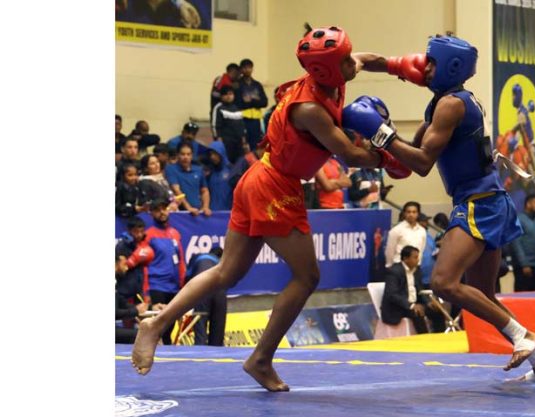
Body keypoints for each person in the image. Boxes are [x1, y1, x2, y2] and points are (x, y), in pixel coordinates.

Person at [131, 26, 411, 392]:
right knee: (307, 276)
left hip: (259, 177)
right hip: (275, 187)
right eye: (343, 60)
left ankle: (156, 323)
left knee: (227, 273)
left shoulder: (333, 71)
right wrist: (395, 150)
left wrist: (409, 69)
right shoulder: (310, 108)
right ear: (325, 70)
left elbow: (368, 59)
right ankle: (261, 358)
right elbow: (350, 154)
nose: (351, 62)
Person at [341, 34, 535, 380]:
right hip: (490, 200)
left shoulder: (451, 105)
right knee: (484, 295)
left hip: (477, 203)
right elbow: (407, 157)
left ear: (450, 67)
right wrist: (360, 62)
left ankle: (525, 337)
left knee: (444, 283)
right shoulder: (446, 101)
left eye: (431, 63)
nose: (423, 68)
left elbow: (424, 162)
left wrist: (380, 132)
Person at [141, 198, 186, 345]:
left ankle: (167, 353)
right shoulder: (148, 235)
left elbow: (180, 261)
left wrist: (181, 284)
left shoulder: (175, 233)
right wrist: (146, 291)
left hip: (173, 287)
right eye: (158, 210)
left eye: (164, 208)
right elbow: (144, 265)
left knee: (170, 325)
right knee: (158, 325)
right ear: (152, 213)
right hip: (157, 286)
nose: (162, 212)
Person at [381, 246, 446, 333]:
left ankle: (440, 337)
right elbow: (392, 294)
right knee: (418, 312)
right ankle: (424, 339)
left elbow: (420, 290)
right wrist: (411, 305)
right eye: (415, 257)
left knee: (437, 311)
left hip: (414, 304)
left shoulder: (417, 271)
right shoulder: (394, 272)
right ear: (405, 258)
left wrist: (428, 302)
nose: (418, 260)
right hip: (399, 307)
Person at [186, 247, 226, 346]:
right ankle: (218, 356)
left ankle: (200, 355)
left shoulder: (197, 258)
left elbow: (187, 277)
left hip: (202, 289)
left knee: (200, 328)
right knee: (218, 331)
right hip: (220, 291)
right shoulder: (222, 264)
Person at [508, 194, 535, 292]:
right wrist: (524, 264)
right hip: (523, 267)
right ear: (528, 204)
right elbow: (516, 243)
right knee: (522, 295)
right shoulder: (519, 219)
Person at [165, 142, 212, 216]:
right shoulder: (171, 169)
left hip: (198, 211)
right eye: (182, 154)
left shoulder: (199, 170)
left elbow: (204, 190)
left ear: (192, 156)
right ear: (177, 155)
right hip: (180, 213)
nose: (185, 157)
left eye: (188, 154)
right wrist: (188, 208)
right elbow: (176, 190)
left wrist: (205, 207)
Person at [236, 58, 268, 150]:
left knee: (256, 144)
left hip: (256, 119)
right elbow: (239, 104)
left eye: (249, 67)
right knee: (243, 145)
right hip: (243, 118)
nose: (247, 70)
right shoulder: (237, 85)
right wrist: (256, 101)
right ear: (241, 69)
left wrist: (250, 101)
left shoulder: (257, 85)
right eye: (245, 68)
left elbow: (264, 102)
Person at [212, 85, 248, 164]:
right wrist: (218, 140)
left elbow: (241, 125)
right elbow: (215, 126)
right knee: (227, 163)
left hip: (238, 143)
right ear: (222, 96)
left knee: (239, 164)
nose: (229, 96)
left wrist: (244, 141)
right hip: (226, 142)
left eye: (231, 94)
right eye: (226, 94)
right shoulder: (218, 108)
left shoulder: (236, 108)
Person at [384, 202, 427, 268]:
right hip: (399, 266)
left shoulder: (422, 231)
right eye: (408, 212)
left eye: (414, 212)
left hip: (416, 267)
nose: (411, 214)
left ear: (418, 214)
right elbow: (390, 251)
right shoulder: (396, 230)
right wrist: (390, 267)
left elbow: (421, 250)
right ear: (404, 213)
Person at [205, 141, 235, 211]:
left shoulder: (232, 170)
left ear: (222, 153)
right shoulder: (209, 172)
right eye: (210, 154)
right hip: (212, 214)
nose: (212, 157)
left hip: (228, 213)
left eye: (215, 154)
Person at [418, 213, 437, 289]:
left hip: (430, 273)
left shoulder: (428, 234)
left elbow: (433, 249)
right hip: (422, 273)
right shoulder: (417, 235)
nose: (427, 223)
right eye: (425, 221)